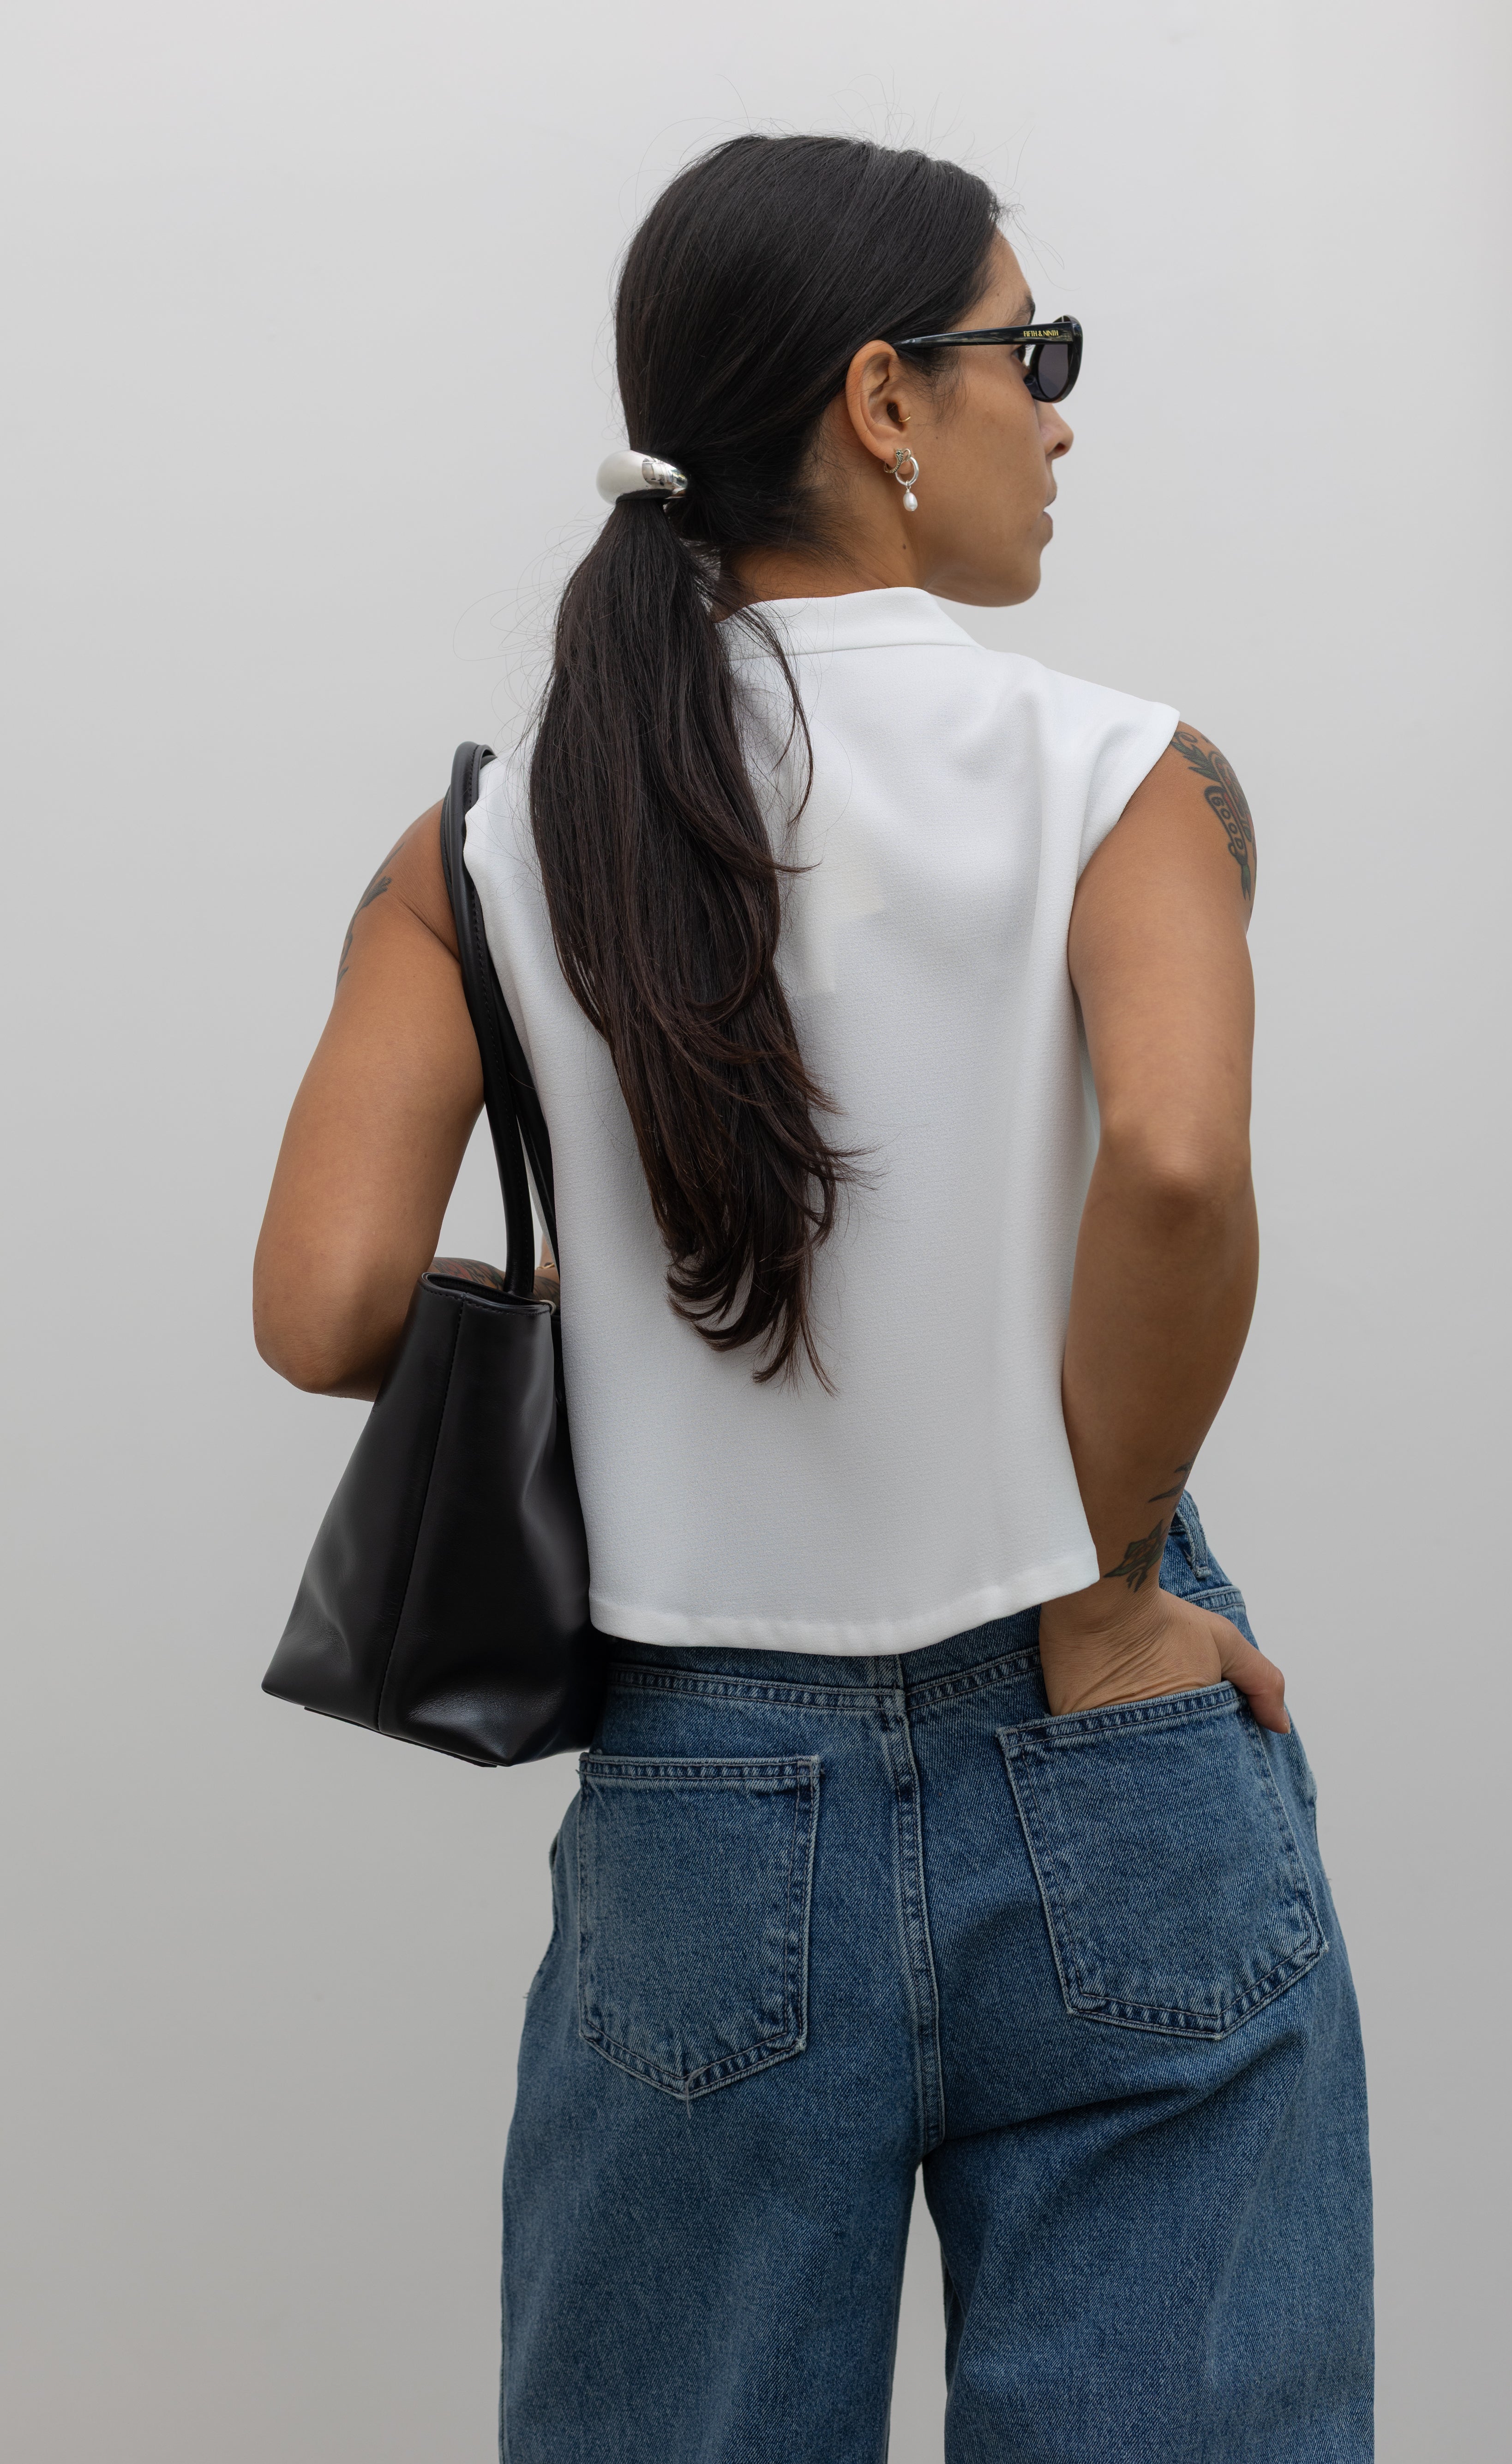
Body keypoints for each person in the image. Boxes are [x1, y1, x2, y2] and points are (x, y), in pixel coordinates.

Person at [254, 133, 1371, 2464]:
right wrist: (1101, 1585)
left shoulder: (496, 831)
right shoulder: (1118, 774)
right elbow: (1168, 1161)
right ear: (884, 398)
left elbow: (328, 1304)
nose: (1053, 415)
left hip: (701, 1792)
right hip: (1112, 1759)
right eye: (1023, 358)